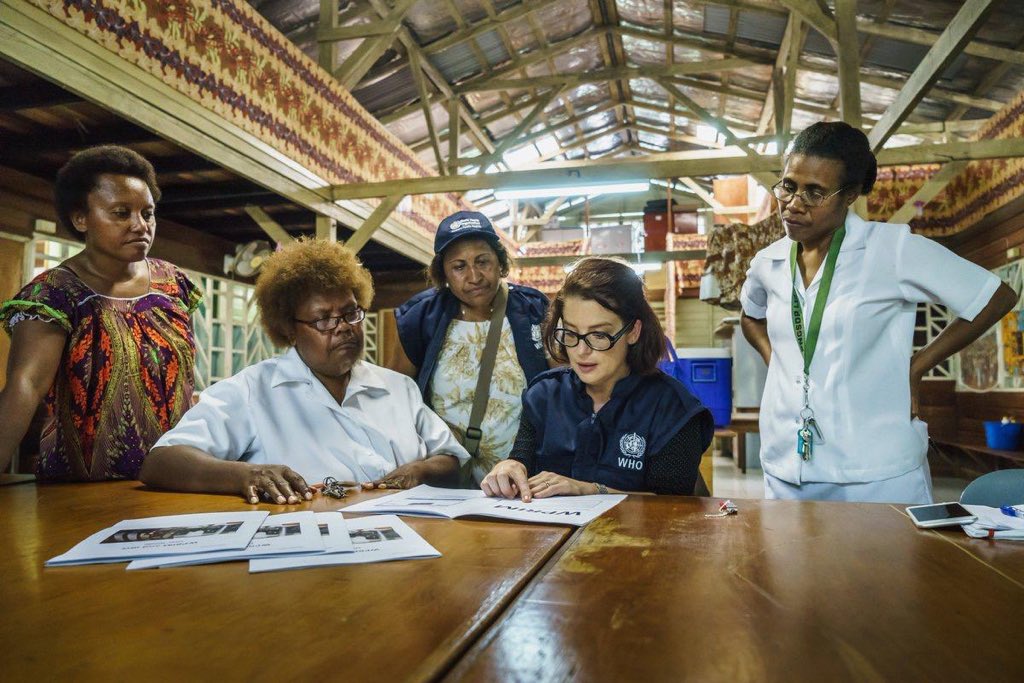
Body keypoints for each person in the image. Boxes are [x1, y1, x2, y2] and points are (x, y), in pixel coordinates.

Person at [740, 121, 1017, 504]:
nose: (793, 203)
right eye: (788, 186)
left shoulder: (891, 250)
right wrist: (777, 361)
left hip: (876, 473)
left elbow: (995, 296)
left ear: (850, 195)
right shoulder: (767, 262)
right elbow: (750, 316)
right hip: (786, 465)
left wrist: (917, 366)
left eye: (815, 192)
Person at [140, 239, 469, 504]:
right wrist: (245, 475)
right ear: (289, 329)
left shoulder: (398, 388)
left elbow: (450, 460)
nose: (343, 327)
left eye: (351, 313)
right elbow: (161, 462)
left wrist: (420, 471)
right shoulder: (254, 390)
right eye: (323, 319)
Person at [0, 146, 200, 480]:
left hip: (170, 479)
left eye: (147, 213)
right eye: (121, 213)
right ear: (81, 219)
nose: (140, 225)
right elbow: (26, 385)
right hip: (81, 486)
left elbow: (185, 378)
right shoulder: (53, 294)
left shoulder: (173, 283)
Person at [481, 257, 714, 502]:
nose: (581, 351)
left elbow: (675, 505)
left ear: (633, 332)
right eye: (570, 333)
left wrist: (590, 490)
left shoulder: (673, 409)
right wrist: (510, 468)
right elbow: (522, 459)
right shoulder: (544, 395)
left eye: (599, 335)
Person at [389, 211, 550, 484]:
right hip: (446, 476)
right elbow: (396, 397)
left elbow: (561, 389)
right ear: (443, 273)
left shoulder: (534, 310)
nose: (474, 276)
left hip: (523, 477)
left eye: (482, 261)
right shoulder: (420, 318)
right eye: (459, 266)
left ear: (500, 262)